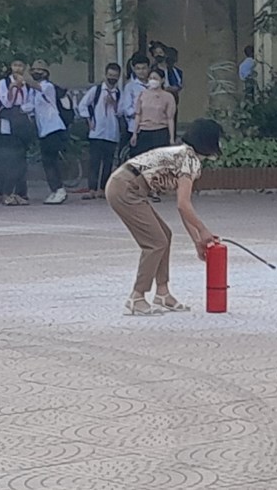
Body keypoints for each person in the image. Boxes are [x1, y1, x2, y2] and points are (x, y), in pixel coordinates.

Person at [106, 118, 224, 315]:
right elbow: (183, 204)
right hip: (127, 188)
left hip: (125, 184)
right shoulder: (189, 160)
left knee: (165, 235)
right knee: (155, 242)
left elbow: (183, 208)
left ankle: (162, 292)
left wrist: (197, 241)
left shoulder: (184, 154)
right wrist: (203, 231)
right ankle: (137, 296)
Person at [27, 59, 69, 205]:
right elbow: (29, 107)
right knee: (47, 162)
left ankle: (59, 189)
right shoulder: (33, 92)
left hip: (53, 128)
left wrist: (22, 78)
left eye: (39, 70)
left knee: (51, 161)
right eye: (34, 70)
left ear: (45, 73)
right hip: (43, 130)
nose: (36, 72)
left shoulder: (48, 87)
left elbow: (37, 86)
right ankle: (54, 189)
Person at [79, 62, 122, 200]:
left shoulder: (118, 93)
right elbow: (83, 105)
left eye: (115, 76)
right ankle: (92, 188)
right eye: (110, 75)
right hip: (97, 132)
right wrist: (89, 120)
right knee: (94, 162)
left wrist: (113, 103)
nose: (112, 78)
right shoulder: (96, 90)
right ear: (105, 75)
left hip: (112, 133)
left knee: (108, 163)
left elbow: (121, 112)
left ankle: (103, 189)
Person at [0, 58, 34, 206]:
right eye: (15, 65)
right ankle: (6, 192)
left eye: (20, 66)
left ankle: (20, 192)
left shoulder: (28, 84)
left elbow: (31, 103)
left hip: (22, 121)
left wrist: (22, 109)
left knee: (21, 159)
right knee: (9, 159)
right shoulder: (4, 82)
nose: (17, 68)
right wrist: (12, 88)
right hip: (9, 123)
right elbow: (6, 103)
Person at [130, 67, 176, 157]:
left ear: (162, 80)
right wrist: (134, 133)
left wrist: (171, 138)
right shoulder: (142, 94)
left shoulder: (168, 97)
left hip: (160, 132)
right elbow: (138, 115)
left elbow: (170, 118)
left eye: (155, 78)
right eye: (150, 78)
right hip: (144, 132)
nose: (152, 81)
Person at [118, 53, 150, 158]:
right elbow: (127, 109)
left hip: (152, 127)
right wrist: (140, 112)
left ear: (148, 68)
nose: (141, 71)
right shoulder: (130, 87)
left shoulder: (153, 85)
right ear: (134, 69)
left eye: (144, 68)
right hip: (135, 128)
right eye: (138, 69)